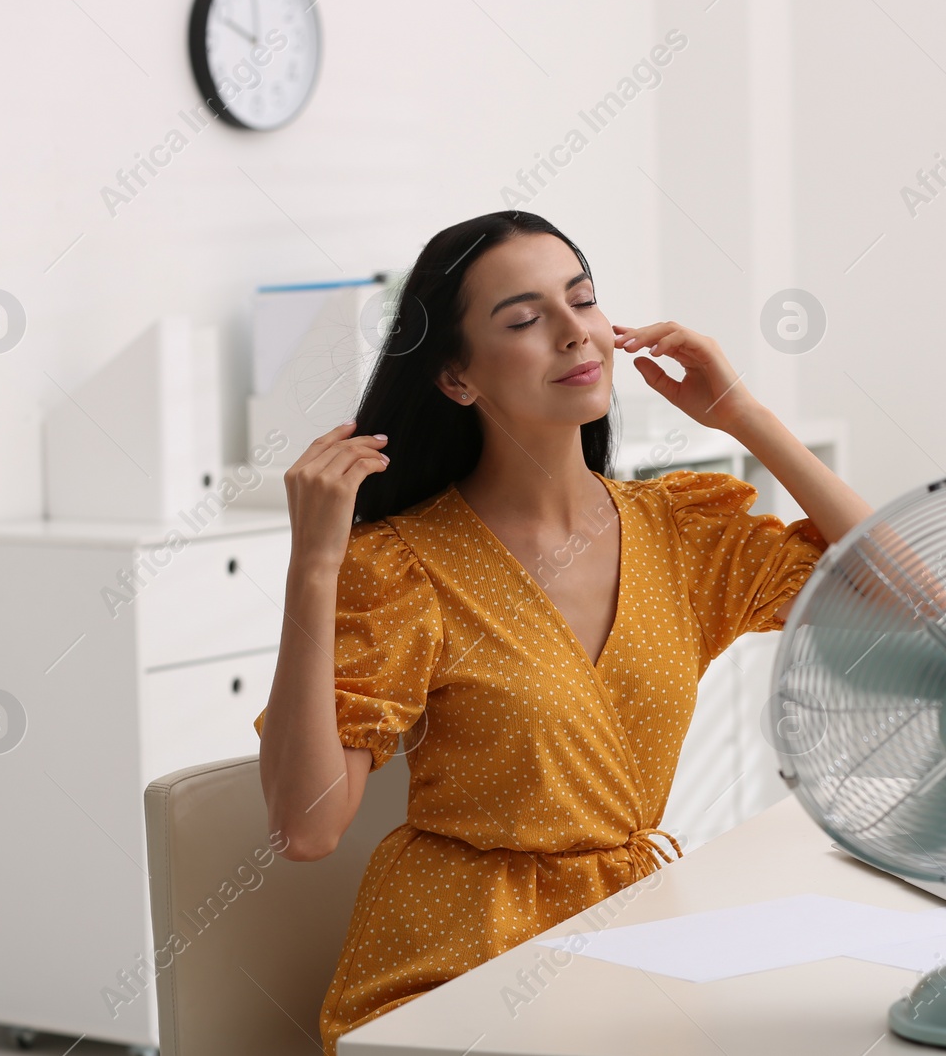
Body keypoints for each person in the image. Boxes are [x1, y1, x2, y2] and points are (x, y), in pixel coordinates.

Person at [255, 209, 876, 1054]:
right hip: (451, 980)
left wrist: (744, 415)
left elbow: (910, 599)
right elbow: (307, 829)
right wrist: (314, 568)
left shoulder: (681, 533)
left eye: (582, 301)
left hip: (631, 948)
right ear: (456, 379)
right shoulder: (402, 566)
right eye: (523, 319)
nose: (575, 333)